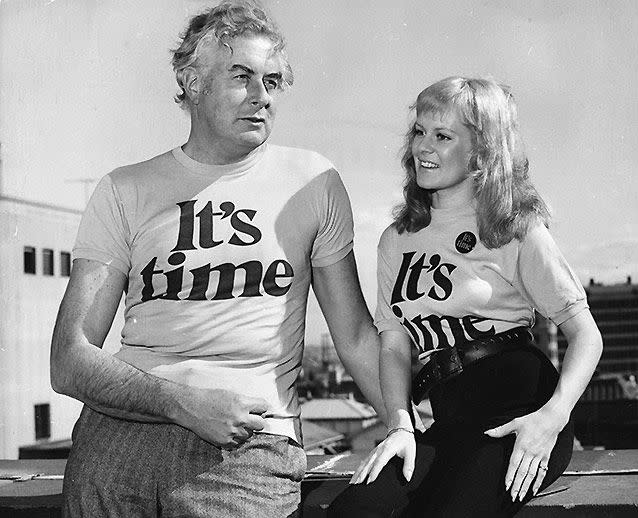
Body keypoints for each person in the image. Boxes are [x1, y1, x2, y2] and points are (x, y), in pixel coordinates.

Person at [50, 2, 385, 517]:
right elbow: (69, 360)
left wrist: (409, 427)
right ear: (192, 82)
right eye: (241, 77)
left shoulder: (312, 183)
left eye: (273, 82)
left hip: (246, 453)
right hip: (115, 444)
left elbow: (357, 338)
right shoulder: (125, 189)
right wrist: (178, 403)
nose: (262, 97)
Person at [328, 76, 603, 517]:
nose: (423, 147)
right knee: (354, 511)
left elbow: (586, 335)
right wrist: (400, 424)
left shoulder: (513, 228)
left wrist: (550, 419)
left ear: (481, 151)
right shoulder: (396, 240)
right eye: (419, 132)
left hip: (521, 415)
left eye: (442, 136)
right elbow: (395, 345)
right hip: (449, 418)